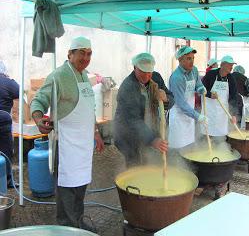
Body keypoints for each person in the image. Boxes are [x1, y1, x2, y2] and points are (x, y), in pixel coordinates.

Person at [30, 36, 104, 231]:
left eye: (89, 54)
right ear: (70, 54)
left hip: (83, 145)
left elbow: (90, 109)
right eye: (81, 53)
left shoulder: (84, 76)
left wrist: (95, 132)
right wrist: (38, 120)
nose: (86, 58)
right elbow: (38, 101)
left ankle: (77, 223)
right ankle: (66, 228)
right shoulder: (58, 76)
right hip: (67, 145)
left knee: (80, 187)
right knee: (66, 191)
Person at [113, 53, 172, 167]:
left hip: (149, 128)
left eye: (149, 72)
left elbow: (171, 97)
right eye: (143, 72)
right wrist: (152, 140)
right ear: (135, 68)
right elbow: (132, 120)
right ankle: (133, 183)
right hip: (127, 135)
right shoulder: (127, 87)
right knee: (134, 164)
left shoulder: (156, 78)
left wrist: (166, 98)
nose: (146, 76)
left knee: (149, 162)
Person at [168, 46, 207, 149]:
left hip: (189, 114)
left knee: (188, 146)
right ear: (180, 60)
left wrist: (200, 89)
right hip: (178, 116)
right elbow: (181, 103)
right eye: (188, 58)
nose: (192, 61)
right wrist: (197, 116)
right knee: (179, 148)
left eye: (193, 58)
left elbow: (198, 84)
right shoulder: (176, 78)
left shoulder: (194, 70)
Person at [201, 55, 238, 141]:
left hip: (222, 111)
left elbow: (233, 96)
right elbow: (201, 88)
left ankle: (220, 147)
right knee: (208, 131)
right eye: (229, 65)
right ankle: (205, 145)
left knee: (220, 133)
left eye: (232, 65)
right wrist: (210, 94)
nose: (231, 67)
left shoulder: (231, 78)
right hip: (209, 109)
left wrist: (233, 115)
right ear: (222, 65)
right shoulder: (211, 74)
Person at [0, 60, 19, 188]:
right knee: (6, 151)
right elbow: (19, 91)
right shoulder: (7, 82)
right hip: (2, 120)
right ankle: (7, 180)